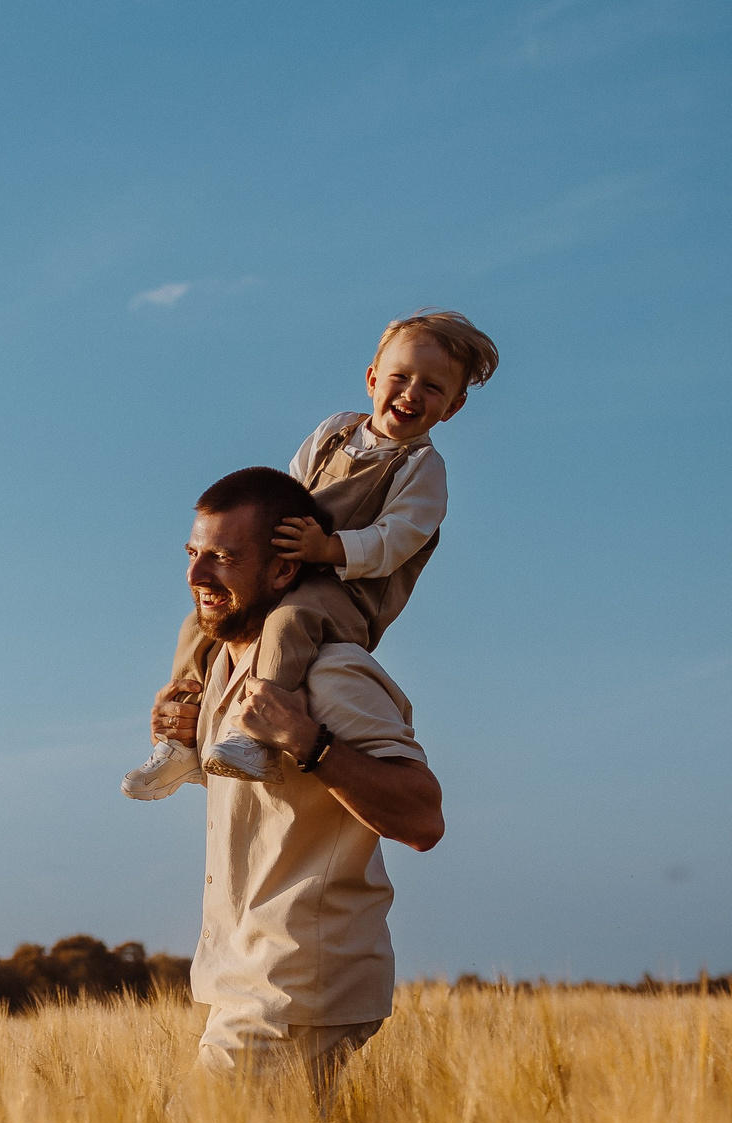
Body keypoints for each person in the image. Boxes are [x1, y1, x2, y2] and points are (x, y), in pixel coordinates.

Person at [149, 467, 445, 1100]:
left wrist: (310, 743)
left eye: (225, 559)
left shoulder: (332, 672)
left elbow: (423, 817)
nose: (197, 577)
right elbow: (273, 803)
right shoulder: (226, 670)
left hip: (297, 982)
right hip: (242, 978)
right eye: (194, 554)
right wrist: (188, 739)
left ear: (283, 570)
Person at [124, 308, 497, 797]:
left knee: (288, 622)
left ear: (453, 407)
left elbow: (395, 541)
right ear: (371, 378)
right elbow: (291, 492)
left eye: (432, 388)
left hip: (348, 594)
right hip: (292, 569)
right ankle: (180, 735)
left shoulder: (422, 469)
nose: (411, 394)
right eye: (400, 377)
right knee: (204, 616)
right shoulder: (335, 430)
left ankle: (254, 733)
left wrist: (328, 547)